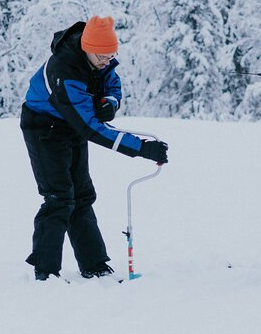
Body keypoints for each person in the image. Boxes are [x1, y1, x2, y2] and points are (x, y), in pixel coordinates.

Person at [20, 16, 169, 281]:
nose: (107, 60)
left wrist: (111, 102)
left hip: (70, 124)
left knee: (82, 195)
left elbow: (112, 83)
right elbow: (91, 128)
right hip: (43, 129)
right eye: (102, 56)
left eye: (112, 55)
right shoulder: (65, 72)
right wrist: (141, 148)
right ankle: (45, 271)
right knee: (59, 197)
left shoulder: (100, 58)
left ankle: (94, 264)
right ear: (86, 48)